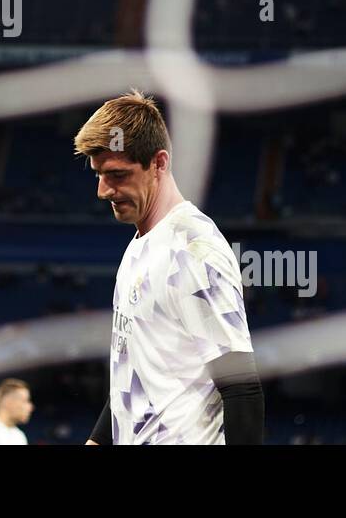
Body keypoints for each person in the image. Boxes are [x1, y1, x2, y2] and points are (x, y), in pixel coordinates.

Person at [75, 90, 264, 445]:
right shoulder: (139, 246)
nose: (103, 190)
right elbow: (133, 370)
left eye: (117, 174)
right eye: (98, 174)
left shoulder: (193, 250)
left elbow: (242, 389)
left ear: (159, 163)